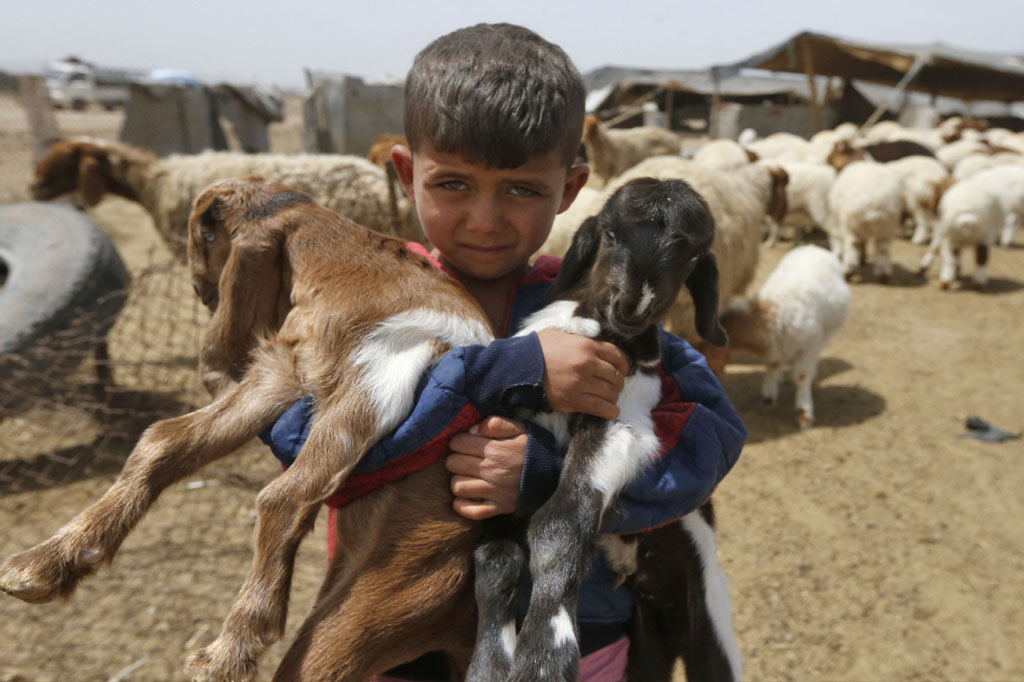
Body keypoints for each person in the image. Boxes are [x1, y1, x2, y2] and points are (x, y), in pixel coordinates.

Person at [260, 22, 746, 682]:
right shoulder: (365, 304)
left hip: (569, 641)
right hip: (395, 633)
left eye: (521, 189)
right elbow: (298, 435)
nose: (485, 220)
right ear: (407, 173)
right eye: (453, 184)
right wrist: (506, 371)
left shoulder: (599, 317)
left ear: (570, 190)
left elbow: (712, 438)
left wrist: (552, 478)